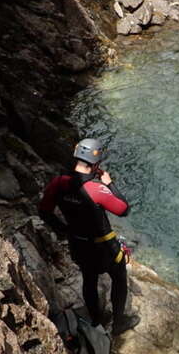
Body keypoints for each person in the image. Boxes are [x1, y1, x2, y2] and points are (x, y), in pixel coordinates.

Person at [38, 138, 140, 335]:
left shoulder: (58, 183)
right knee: (119, 278)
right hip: (104, 248)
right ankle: (118, 324)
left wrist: (64, 230)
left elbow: (44, 211)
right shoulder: (96, 189)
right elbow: (123, 209)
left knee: (89, 279)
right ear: (96, 164)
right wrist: (110, 184)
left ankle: (96, 320)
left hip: (78, 244)